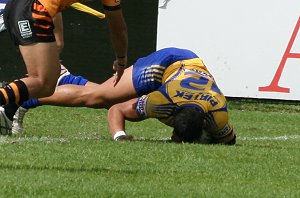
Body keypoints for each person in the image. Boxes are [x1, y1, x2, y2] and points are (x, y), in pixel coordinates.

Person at [1, 47, 236, 144]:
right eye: (175, 133)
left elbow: (229, 141)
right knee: (97, 99)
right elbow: (118, 110)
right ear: (171, 116)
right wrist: (120, 135)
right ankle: (24, 98)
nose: (174, 140)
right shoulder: (160, 103)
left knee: (99, 94)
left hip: (184, 73)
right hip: (167, 64)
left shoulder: (219, 114)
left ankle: (66, 79)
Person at [0, 0, 127, 115]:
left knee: (47, 84)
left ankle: (12, 105)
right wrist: (121, 60)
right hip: (32, 10)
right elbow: (118, 29)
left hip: (18, 7)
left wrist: (58, 42)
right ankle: (11, 105)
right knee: (42, 82)